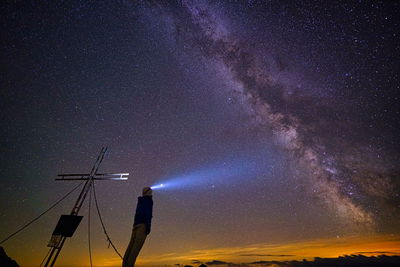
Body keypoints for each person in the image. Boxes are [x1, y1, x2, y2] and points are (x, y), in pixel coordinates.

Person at [122, 187, 153, 267]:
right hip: (143, 226)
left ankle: (124, 264)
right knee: (136, 248)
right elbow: (148, 214)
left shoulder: (140, 201)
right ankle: (129, 265)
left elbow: (137, 214)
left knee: (131, 246)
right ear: (148, 192)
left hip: (136, 225)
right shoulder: (149, 201)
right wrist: (148, 227)